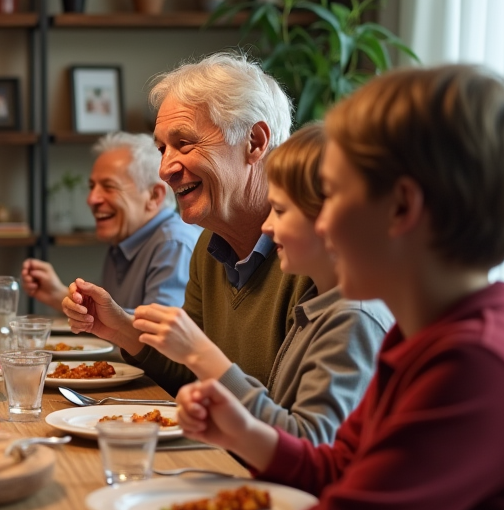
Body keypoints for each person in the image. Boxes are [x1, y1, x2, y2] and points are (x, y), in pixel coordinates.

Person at [174, 66, 504, 510]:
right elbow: (335, 469)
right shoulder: (418, 335)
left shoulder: (471, 364)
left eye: (330, 196)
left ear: (402, 208)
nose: (319, 222)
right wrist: (241, 431)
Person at [63, 52, 315, 395]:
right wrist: (119, 327)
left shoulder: (314, 255)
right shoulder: (209, 246)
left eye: (184, 143)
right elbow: (190, 372)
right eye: (162, 149)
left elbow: (299, 430)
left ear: (254, 142)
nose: (165, 168)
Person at [131, 124, 391, 444]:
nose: (267, 226)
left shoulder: (354, 317)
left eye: (279, 210)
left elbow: (308, 446)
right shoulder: (317, 307)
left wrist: (202, 356)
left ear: (331, 218)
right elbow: (282, 418)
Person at [22, 132, 200, 313]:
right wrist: (58, 296)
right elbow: (116, 323)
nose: (91, 199)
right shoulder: (122, 242)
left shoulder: (174, 244)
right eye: (92, 187)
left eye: (109, 187)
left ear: (154, 196)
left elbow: (160, 335)